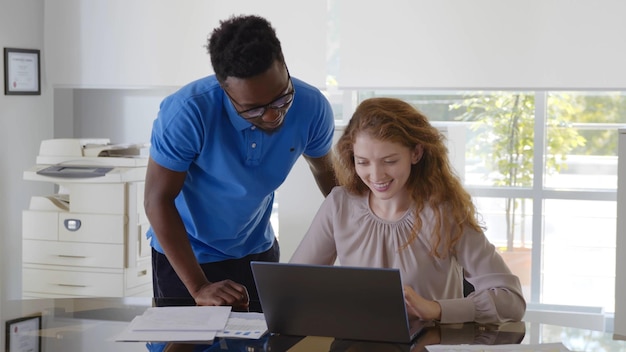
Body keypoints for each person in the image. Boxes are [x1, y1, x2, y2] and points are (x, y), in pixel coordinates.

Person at [144, 14, 336, 311]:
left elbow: (328, 173)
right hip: (186, 257)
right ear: (224, 89)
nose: (273, 116)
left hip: (257, 252)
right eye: (253, 110)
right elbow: (158, 199)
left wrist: (363, 232)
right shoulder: (187, 112)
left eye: (281, 99)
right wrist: (199, 286)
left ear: (283, 62)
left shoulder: (312, 106)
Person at [290, 97, 526, 324]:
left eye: (390, 161)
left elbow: (511, 300)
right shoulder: (339, 204)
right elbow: (291, 286)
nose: (376, 175)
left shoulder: (444, 212)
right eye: (362, 162)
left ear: (416, 153)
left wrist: (436, 309)